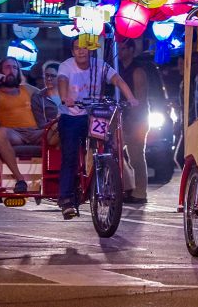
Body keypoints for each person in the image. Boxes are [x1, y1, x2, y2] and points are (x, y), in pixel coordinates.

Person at [56, 38, 140, 220]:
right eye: (77, 48)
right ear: (72, 51)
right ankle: (66, 199)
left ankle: (106, 181)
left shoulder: (100, 65)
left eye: (85, 48)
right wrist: (65, 98)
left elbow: (118, 80)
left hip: (94, 115)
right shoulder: (66, 66)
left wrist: (131, 98)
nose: (81, 51)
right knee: (70, 155)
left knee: (107, 148)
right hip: (71, 116)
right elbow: (62, 81)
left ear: (91, 50)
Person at [0, 57, 42, 194]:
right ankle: (20, 180)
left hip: (35, 132)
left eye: (14, 68)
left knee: (62, 128)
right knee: (0, 132)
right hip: (14, 134)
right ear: (0, 71)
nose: (11, 71)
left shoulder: (27, 89)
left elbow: (46, 96)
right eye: (7, 67)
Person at [118, 39, 157, 204]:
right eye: (118, 48)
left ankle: (140, 192)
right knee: (117, 153)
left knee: (136, 156)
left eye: (123, 48)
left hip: (137, 119)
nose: (120, 51)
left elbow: (140, 99)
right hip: (120, 116)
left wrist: (133, 119)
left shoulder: (137, 71)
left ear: (131, 50)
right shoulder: (117, 68)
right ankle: (127, 187)